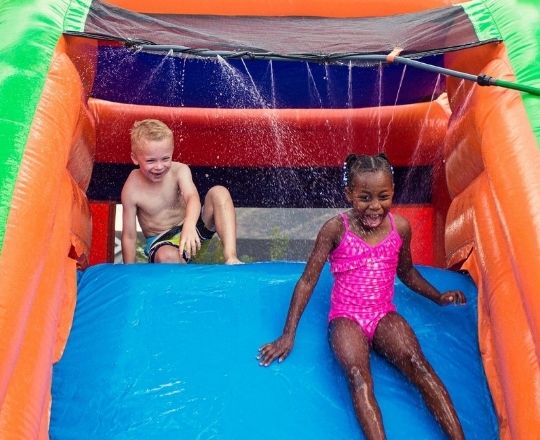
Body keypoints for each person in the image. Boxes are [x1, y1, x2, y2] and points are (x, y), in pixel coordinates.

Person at [258, 153, 466, 440]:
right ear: (350, 194)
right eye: (364, 197)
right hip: (346, 318)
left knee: (418, 365)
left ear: (392, 192)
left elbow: (407, 273)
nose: (375, 206)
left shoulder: (400, 228)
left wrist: (438, 296)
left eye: (383, 196)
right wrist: (287, 334)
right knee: (358, 378)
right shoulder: (335, 229)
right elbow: (307, 281)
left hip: (383, 314)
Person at [121, 119, 241, 264]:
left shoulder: (179, 170)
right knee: (166, 256)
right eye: (151, 161)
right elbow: (129, 236)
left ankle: (231, 256)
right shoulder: (132, 188)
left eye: (165, 158)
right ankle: (182, 272)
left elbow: (192, 198)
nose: (159, 166)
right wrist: (129, 270)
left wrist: (189, 227)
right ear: (135, 158)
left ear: (172, 152)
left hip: (191, 231)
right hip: (162, 241)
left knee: (219, 192)